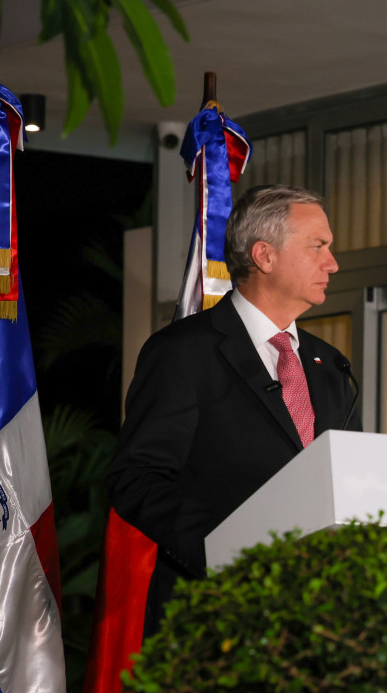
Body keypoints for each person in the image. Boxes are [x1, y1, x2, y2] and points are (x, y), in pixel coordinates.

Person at [109, 185, 359, 631]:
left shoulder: (330, 365)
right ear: (264, 256)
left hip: (318, 621)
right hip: (214, 617)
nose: (332, 263)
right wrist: (230, 552)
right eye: (318, 246)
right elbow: (138, 478)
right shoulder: (184, 351)